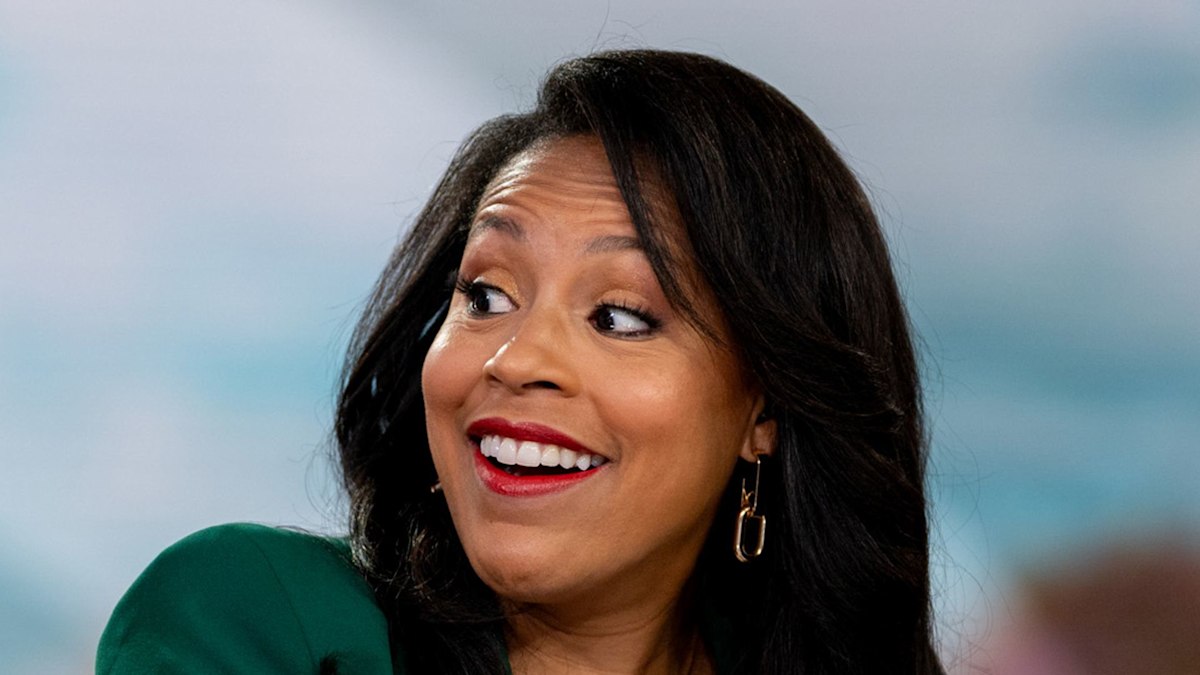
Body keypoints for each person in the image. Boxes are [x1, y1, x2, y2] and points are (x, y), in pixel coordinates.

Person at [98, 49, 945, 674]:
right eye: (486, 295)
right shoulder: (252, 623)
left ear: (764, 407)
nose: (515, 357)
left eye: (620, 316)